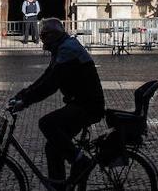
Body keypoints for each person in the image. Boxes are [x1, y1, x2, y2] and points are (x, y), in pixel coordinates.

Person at [10, 18, 105, 184]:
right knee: (53, 148)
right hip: (82, 103)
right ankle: (59, 186)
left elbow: (51, 84)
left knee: (46, 123)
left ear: (54, 34)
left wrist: (25, 102)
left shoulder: (68, 49)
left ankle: (80, 161)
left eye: (44, 35)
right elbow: (47, 77)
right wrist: (22, 95)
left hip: (87, 105)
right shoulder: (62, 48)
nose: (42, 40)